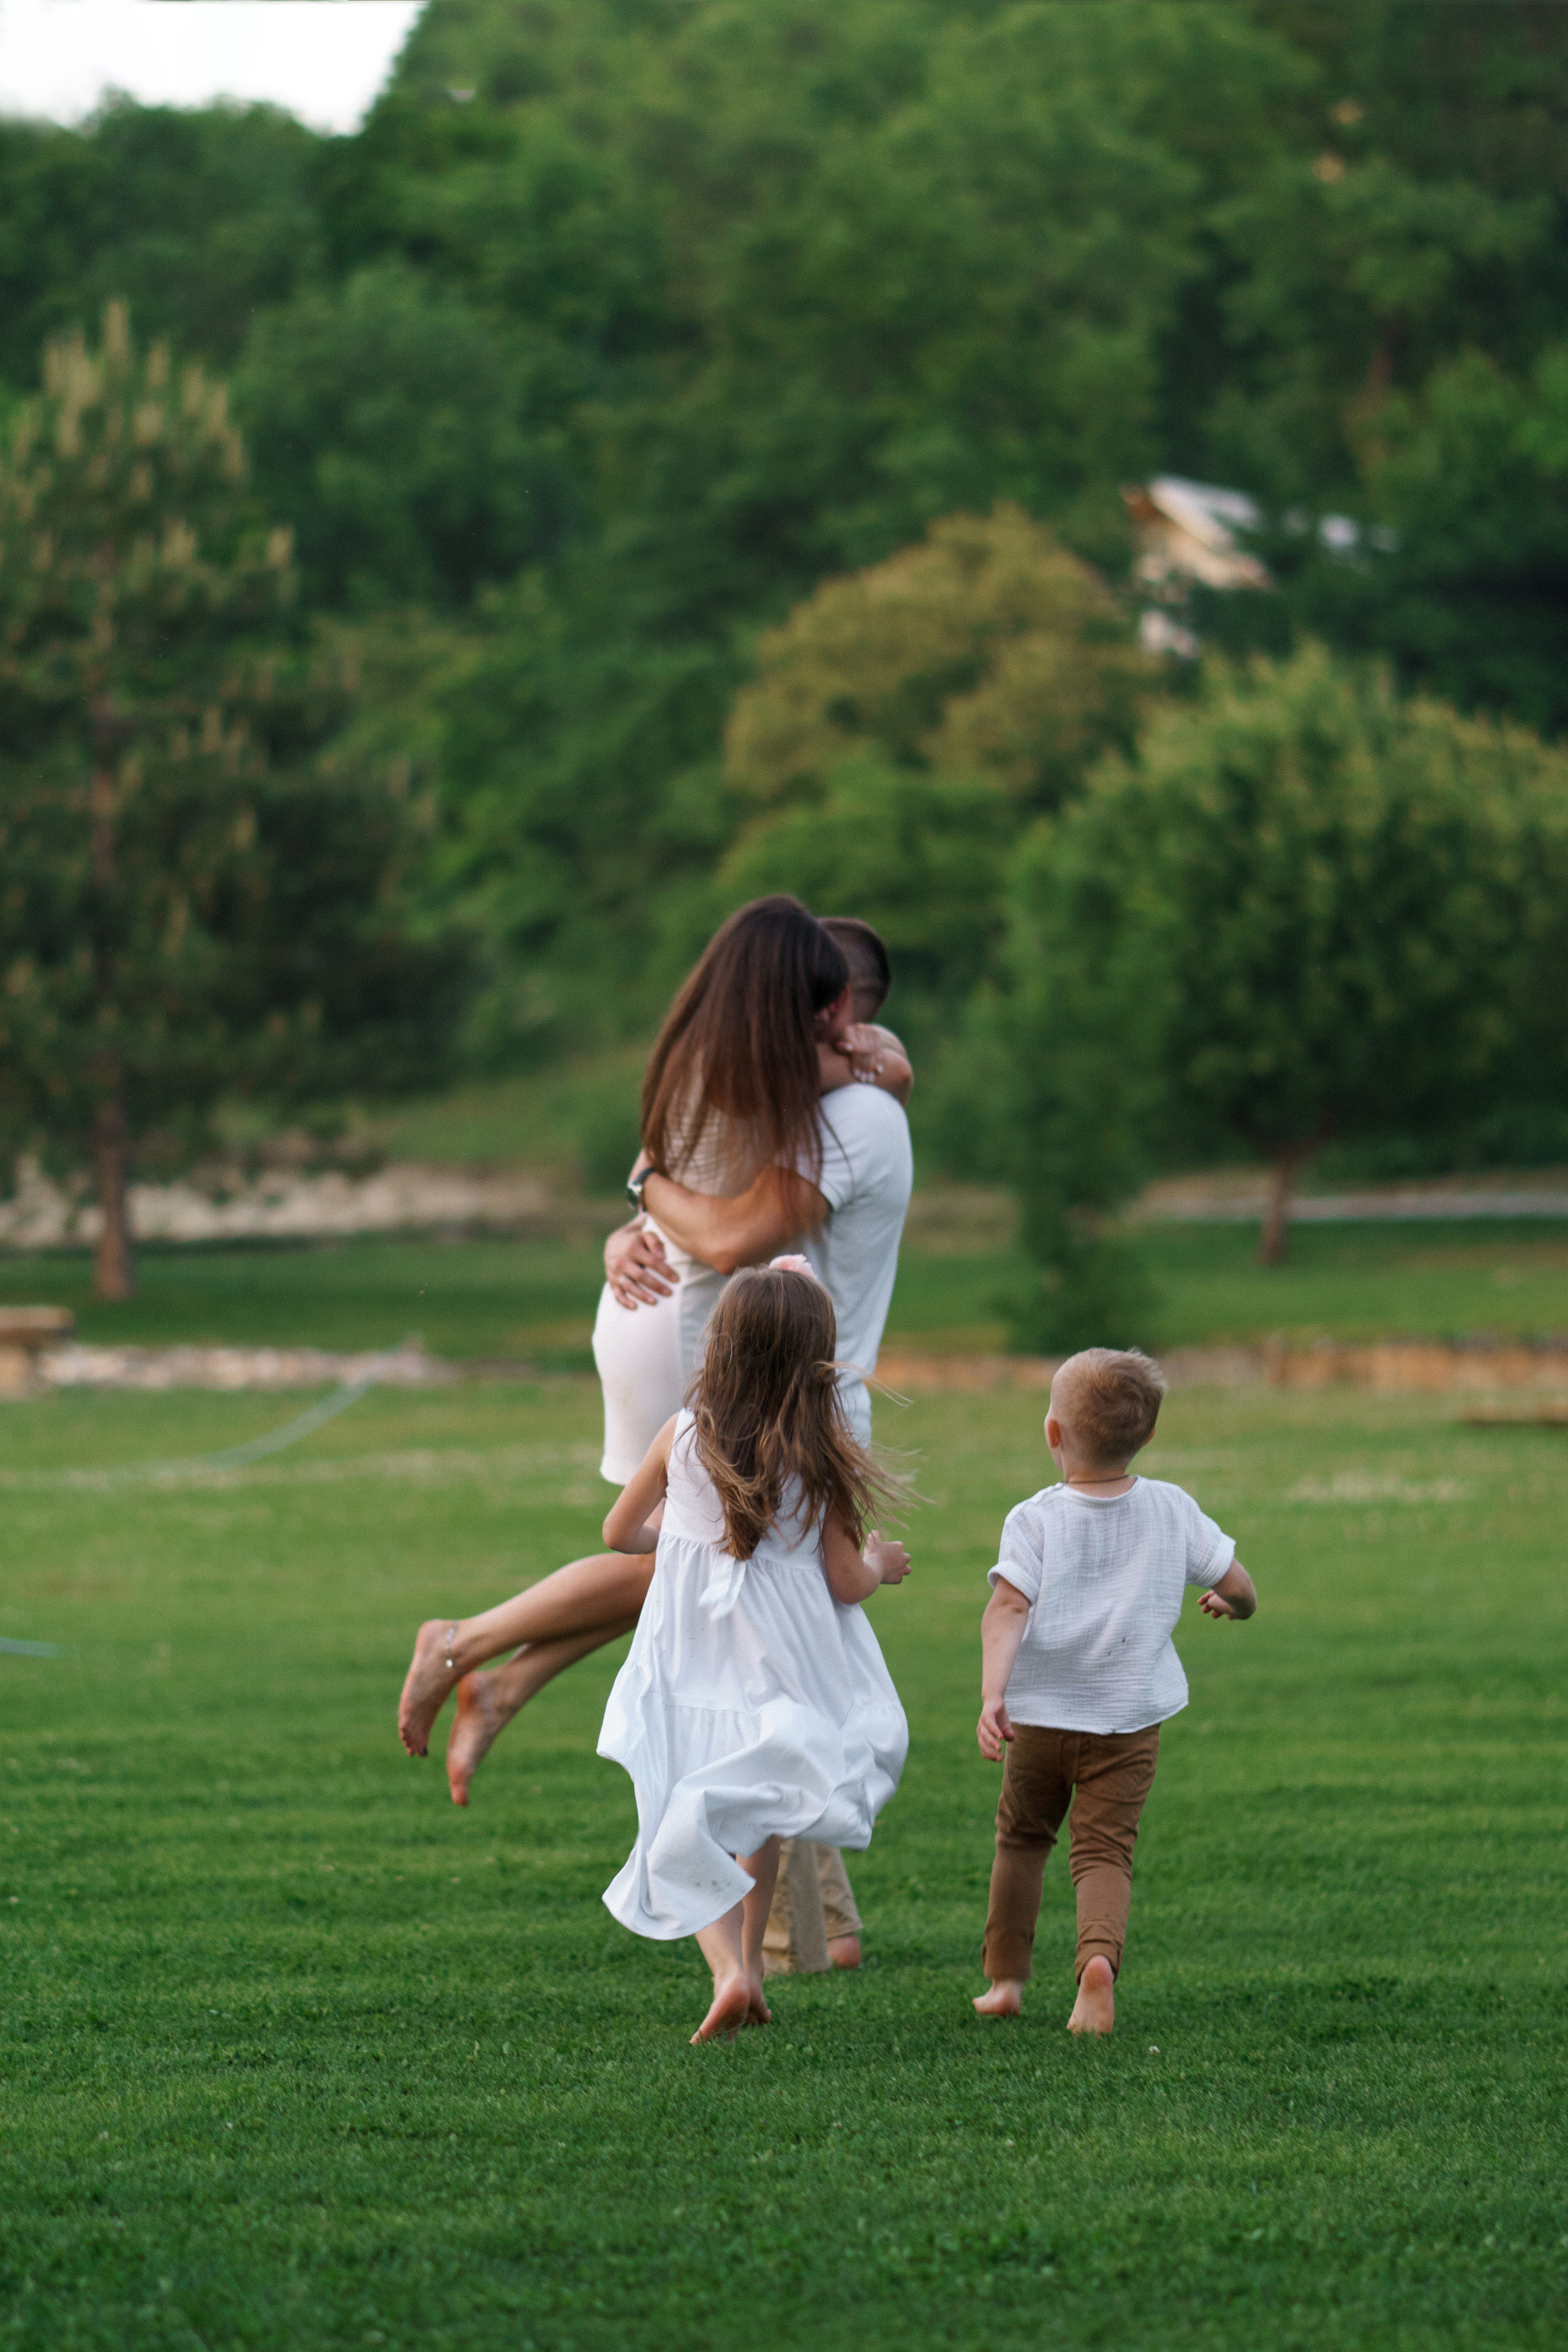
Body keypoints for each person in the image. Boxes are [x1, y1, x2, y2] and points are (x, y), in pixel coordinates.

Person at [396, 903, 916, 1833]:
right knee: (727, 1562)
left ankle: (502, 1682)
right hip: (693, 1329)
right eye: (839, 1016)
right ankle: (465, 1643)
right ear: (814, 1006)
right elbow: (728, 1238)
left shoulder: (720, 1056)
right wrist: (646, 1192)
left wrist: (640, 1198)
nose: (851, 1034)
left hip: (662, 1313)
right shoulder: (796, 1078)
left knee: (706, 1561)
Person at [594, 1262, 911, 2041]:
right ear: (818, 1359)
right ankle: (752, 1967)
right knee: (761, 1810)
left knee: (680, 1810)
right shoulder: (823, 1451)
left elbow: (617, 1534)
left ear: (722, 1345)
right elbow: (844, 1581)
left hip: (691, 1660)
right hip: (780, 1666)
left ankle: (732, 1971)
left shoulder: (684, 1435)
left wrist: (680, 1539)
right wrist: (881, 1566)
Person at [972, 1348, 1257, 2035]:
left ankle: (1005, 1981)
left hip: (1039, 1721)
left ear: (1052, 1433)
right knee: (1104, 1852)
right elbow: (1239, 1583)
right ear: (1148, 1437)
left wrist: (991, 1696)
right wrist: (1231, 1605)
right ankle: (1097, 1965)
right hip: (1129, 1721)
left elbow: (1007, 1609)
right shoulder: (1171, 1507)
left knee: (1021, 1841)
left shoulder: (1035, 1519)